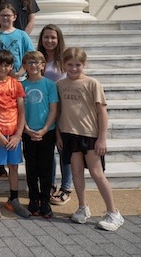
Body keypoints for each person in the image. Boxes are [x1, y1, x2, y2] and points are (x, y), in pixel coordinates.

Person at [57, 47, 124, 231]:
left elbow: (102, 112)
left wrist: (102, 138)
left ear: (84, 64)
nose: (73, 68)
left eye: (77, 65)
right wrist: (58, 135)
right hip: (69, 134)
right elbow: (59, 112)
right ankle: (82, 207)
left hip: (90, 135)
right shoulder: (60, 85)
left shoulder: (92, 83)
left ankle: (113, 212)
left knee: (96, 173)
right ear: (64, 64)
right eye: (69, 64)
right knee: (76, 172)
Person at [0, 50, 31, 219]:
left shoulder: (16, 84)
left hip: (14, 133)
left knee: (14, 166)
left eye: (7, 65)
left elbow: (22, 111)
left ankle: (14, 199)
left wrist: (17, 135)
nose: (3, 68)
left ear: (11, 66)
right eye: (0, 64)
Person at [37, 24, 72, 204]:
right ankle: (49, 183)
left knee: (64, 150)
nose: (49, 41)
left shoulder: (65, 60)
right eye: (46, 37)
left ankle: (66, 186)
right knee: (48, 152)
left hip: (64, 110)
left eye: (53, 37)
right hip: (44, 110)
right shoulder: (38, 59)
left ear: (58, 40)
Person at [21, 51, 58, 218]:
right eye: (29, 63)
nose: (33, 66)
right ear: (25, 66)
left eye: (36, 63)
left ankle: (45, 200)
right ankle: (33, 199)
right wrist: (26, 128)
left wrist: (44, 129)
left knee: (46, 167)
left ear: (43, 65)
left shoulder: (49, 84)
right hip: (28, 131)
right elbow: (19, 111)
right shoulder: (22, 85)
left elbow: (53, 109)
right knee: (31, 167)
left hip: (46, 132)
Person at [0, 4, 35, 78]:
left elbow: (30, 55)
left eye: (8, 15)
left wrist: (20, 72)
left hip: (19, 76)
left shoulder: (22, 35)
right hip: (0, 76)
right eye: (2, 15)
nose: (5, 18)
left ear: (14, 17)